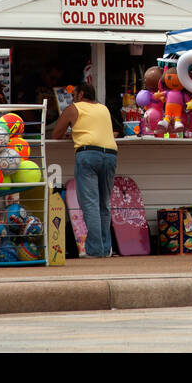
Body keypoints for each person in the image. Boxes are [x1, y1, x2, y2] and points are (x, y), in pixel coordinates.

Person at [51, 82, 118, 258]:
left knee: (90, 204)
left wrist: (71, 132)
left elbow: (56, 134)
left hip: (88, 154)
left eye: (74, 95)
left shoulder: (74, 108)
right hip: (110, 155)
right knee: (104, 203)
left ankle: (95, 250)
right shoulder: (104, 109)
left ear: (80, 95)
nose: (72, 98)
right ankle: (106, 248)